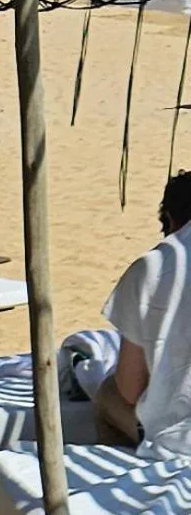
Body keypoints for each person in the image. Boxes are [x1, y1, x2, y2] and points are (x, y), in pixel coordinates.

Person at [95, 170, 191, 453]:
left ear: (171, 220)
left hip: (180, 441)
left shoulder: (155, 267)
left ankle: (125, 478)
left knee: (107, 395)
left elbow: (129, 387)